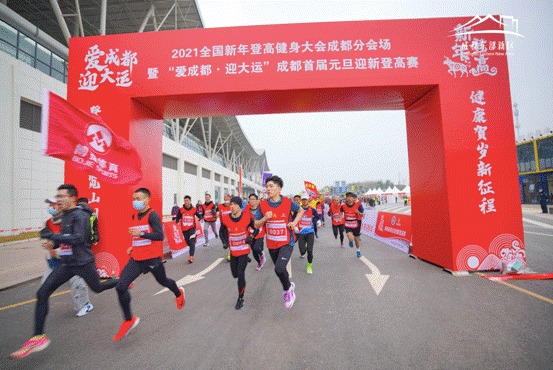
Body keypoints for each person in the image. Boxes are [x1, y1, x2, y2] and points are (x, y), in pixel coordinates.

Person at [10, 184, 119, 359]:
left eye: (62, 196)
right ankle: (38, 337)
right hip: (68, 263)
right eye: (57, 196)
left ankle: (120, 281)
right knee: (43, 292)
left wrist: (53, 237)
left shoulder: (80, 215)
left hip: (83, 262)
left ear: (72, 198)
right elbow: (67, 240)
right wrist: (54, 244)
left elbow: (79, 238)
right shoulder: (65, 215)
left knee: (97, 288)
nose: (58, 199)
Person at [113, 187, 185, 342]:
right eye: (134, 198)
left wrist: (141, 234)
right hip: (137, 258)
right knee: (121, 286)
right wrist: (133, 245)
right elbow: (138, 236)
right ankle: (129, 320)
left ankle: (178, 293)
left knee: (164, 282)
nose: (135, 201)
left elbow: (159, 235)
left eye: (138, 199)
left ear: (146, 199)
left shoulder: (152, 215)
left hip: (152, 259)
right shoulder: (134, 215)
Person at [254, 175, 304, 308]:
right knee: (280, 271)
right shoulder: (263, 205)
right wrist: (265, 218)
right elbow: (256, 225)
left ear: (279, 189)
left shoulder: (288, 202)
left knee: (279, 268)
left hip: (287, 242)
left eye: (271, 186)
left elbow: (300, 210)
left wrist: (294, 222)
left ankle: (287, 291)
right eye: (267, 187)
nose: (268, 189)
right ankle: (290, 286)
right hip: (272, 244)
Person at [42, 198, 93, 317]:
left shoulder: (73, 219)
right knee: (45, 286)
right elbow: (52, 239)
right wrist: (50, 246)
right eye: (50, 205)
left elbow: (76, 239)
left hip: (73, 258)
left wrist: (58, 250)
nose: (52, 207)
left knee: (77, 284)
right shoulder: (49, 222)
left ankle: (85, 304)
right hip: (54, 260)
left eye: (54, 204)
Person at [221, 196, 258, 310]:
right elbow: (221, 231)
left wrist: (251, 237)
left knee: (241, 274)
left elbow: (256, 229)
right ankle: (246, 259)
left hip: (243, 250)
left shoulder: (247, 218)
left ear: (240, 206)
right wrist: (225, 242)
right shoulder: (226, 218)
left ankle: (240, 298)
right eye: (231, 204)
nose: (232, 206)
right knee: (235, 274)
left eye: (234, 204)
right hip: (233, 251)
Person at [175, 195, 202, 263]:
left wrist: (201, 218)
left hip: (192, 228)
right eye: (185, 200)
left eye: (187, 200)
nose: (186, 202)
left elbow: (198, 215)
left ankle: (191, 256)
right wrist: (177, 221)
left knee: (192, 241)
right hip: (184, 229)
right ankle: (192, 242)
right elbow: (177, 217)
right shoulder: (181, 209)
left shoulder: (194, 209)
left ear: (190, 201)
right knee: (188, 243)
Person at [296, 193, 319, 274]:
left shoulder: (312, 210)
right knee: (302, 252)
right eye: (303, 200)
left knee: (310, 250)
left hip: (310, 233)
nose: (304, 201)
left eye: (306, 199)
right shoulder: (298, 209)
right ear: (301, 201)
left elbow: (317, 216)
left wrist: (318, 221)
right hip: (301, 233)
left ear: (308, 200)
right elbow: (293, 218)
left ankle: (309, 266)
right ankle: (304, 247)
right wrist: (295, 226)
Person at [243, 193, 266, 270]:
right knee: (253, 251)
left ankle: (262, 255)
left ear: (257, 201)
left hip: (260, 232)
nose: (251, 201)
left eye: (253, 199)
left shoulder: (261, 208)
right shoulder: (247, 208)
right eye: (250, 199)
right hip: (251, 233)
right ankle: (259, 263)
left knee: (257, 248)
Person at [341, 192, 364, 258]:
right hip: (348, 225)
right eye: (348, 197)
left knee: (356, 239)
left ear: (353, 198)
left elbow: (362, 214)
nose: (350, 198)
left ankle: (358, 250)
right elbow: (340, 212)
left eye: (351, 197)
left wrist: (358, 212)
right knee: (351, 239)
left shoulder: (358, 205)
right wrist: (340, 218)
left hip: (355, 224)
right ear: (346, 198)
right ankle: (350, 241)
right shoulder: (343, 206)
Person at [217, 194, 232, 261]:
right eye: (225, 198)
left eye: (227, 198)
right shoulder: (220, 206)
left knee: (230, 239)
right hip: (223, 223)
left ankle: (230, 254)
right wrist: (216, 214)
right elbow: (215, 211)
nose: (226, 199)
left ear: (230, 199)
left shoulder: (232, 206)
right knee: (221, 234)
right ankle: (225, 244)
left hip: (230, 224)